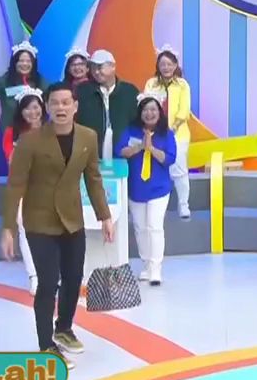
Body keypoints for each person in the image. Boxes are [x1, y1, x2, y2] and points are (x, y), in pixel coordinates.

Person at [0, 83, 114, 369]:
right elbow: (15, 186)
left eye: (66, 102)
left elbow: (93, 179)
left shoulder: (88, 137)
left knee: (74, 279)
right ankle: (46, 346)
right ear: (48, 107)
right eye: (55, 103)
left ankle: (64, 327)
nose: (60, 108)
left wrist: (104, 216)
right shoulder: (30, 142)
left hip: (72, 219)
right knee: (48, 282)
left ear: (75, 106)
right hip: (40, 220)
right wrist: (8, 228)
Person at [117, 92, 177, 286]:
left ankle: (156, 268)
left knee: (154, 226)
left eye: (153, 109)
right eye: (145, 109)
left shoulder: (166, 134)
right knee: (140, 228)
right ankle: (146, 264)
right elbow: (121, 152)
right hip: (136, 188)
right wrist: (140, 146)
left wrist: (151, 148)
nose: (149, 113)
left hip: (159, 189)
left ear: (159, 112)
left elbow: (169, 159)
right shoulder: (131, 131)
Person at [0, 41, 48, 176]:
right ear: (15, 62)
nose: (24, 64)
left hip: (33, 135)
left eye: (28, 61)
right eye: (21, 61)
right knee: (4, 174)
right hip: (7, 134)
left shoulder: (40, 81)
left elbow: (53, 96)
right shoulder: (5, 80)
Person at [2, 87, 46, 296]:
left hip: (48, 187)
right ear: (21, 111)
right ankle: (34, 276)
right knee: (25, 229)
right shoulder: (12, 133)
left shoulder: (52, 129)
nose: (32, 112)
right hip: (23, 187)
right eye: (27, 109)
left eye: (36, 107)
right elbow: (12, 162)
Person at [144, 47, 193, 218]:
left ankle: (183, 205)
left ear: (175, 65)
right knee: (156, 168)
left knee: (179, 169)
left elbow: (184, 110)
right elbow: (146, 105)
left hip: (178, 134)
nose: (166, 67)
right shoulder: (151, 84)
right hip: (155, 133)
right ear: (158, 65)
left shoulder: (182, 85)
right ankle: (156, 206)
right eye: (162, 64)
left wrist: (172, 128)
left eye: (169, 64)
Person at [75, 50, 139, 162]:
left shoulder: (129, 91)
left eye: (100, 67)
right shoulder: (83, 91)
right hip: (91, 156)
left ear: (113, 67)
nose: (96, 72)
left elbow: (137, 123)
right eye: (93, 67)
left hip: (123, 156)